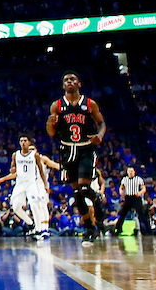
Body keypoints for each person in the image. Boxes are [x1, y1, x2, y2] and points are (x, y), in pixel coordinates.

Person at [46, 71, 106, 244]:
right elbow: (51, 133)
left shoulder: (89, 104)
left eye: (72, 79)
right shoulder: (56, 106)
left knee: (84, 187)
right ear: (63, 85)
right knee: (78, 194)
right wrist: (50, 124)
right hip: (66, 150)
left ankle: (97, 205)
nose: (69, 81)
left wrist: (100, 136)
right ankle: (90, 229)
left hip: (85, 149)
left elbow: (101, 123)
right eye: (66, 80)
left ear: (79, 84)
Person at [0, 134, 53, 240]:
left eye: (25, 140)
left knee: (35, 205)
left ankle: (39, 230)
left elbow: (41, 171)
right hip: (20, 183)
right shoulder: (15, 155)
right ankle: (31, 224)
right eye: (21, 140)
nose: (23, 142)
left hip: (31, 183)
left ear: (29, 142)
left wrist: (44, 185)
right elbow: (13, 169)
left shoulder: (35, 155)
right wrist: (10, 171)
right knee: (15, 207)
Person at [114, 166, 147, 235]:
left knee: (141, 214)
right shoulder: (125, 179)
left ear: (134, 172)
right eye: (129, 171)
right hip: (128, 198)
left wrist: (140, 192)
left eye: (131, 171)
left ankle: (146, 230)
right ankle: (118, 229)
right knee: (123, 214)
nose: (130, 172)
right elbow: (121, 187)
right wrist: (121, 192)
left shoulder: (138, 179)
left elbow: (144, 188)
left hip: (136, 198)